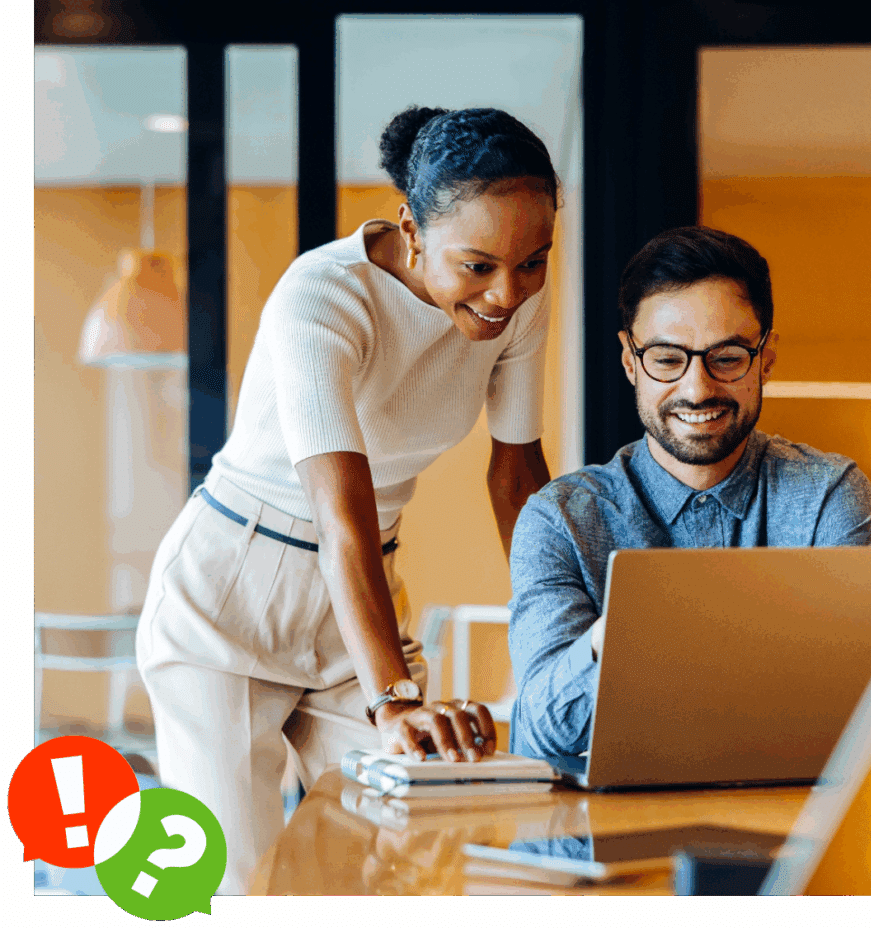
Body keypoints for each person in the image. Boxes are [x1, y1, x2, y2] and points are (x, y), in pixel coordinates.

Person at [136, 105, 559, 893]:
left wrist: (561, 636)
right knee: (237, 881)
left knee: (405, 858)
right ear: (412, 228)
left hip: (357, 601)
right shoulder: (322, 297)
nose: (509, 292)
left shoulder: (516, 299)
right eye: (479, 266)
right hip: (230, 597)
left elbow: (517, 479)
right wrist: (394, 696)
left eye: (533, 261)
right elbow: (342, 514)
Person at [508, 226, 871, 759]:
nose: (697, 388)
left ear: (766, 358)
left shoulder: (828, 496)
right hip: (597, 833)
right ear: (630, 361)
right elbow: (548, 728)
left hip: (774, 827)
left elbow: (855, 712)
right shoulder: (559, 519)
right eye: (666, 359)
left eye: (727, 357)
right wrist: (624, 634)